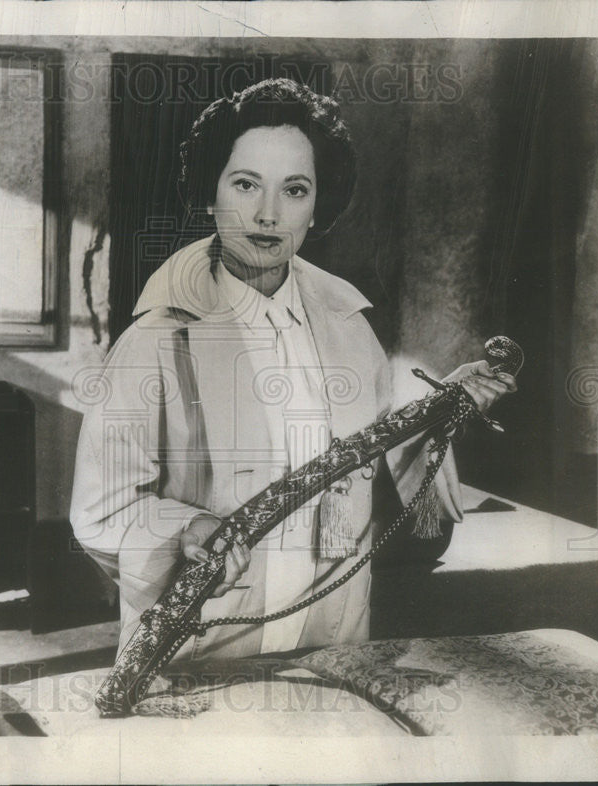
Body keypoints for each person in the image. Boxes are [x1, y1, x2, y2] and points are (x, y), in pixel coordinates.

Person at [71, 78, 516, 660]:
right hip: (204, 638)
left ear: (317, 205)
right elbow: (102, 508)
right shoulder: (155, 340)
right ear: (210, 193)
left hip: (333, 630)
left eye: (295, 189)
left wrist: (441, 408)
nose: (267, 214)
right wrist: (185, 529)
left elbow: (380, 474)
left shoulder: (351, 329)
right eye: (245, 184)